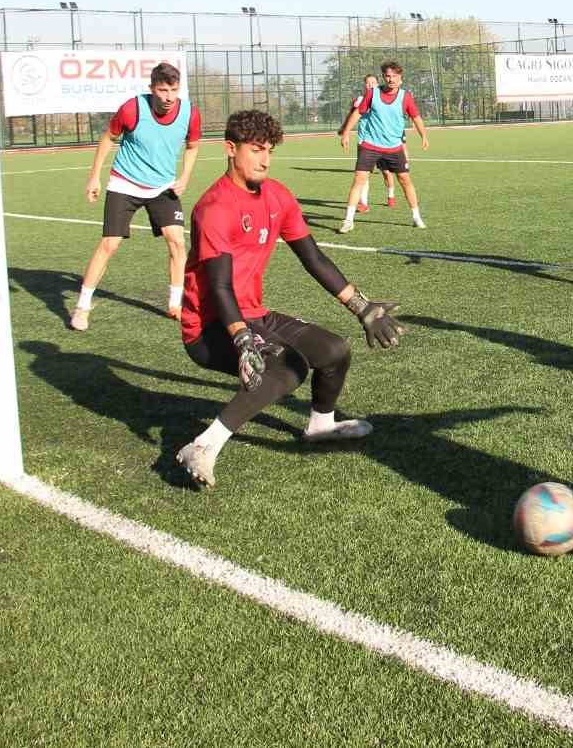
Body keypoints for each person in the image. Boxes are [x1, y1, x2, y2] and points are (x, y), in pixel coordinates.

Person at [174, 110, 406, 490]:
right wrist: (241, 338)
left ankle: (320, 425)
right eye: (255, 150)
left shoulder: (277, 196)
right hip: (210, 327)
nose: (264, 159)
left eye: (269, 150)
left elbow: (312, 257)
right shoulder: (214, 208)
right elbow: (219, 287)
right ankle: (202, 446)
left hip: (255, 313)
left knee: (334, 351)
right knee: (287, 370)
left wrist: (360, 306)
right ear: (230, 149)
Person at [70, 62, 201, 331]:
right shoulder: (132, 108)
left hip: (163, 186)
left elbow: (193, 146)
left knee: (176, 241)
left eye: (174, 90)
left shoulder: (189, 112)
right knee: (110, 244)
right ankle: (82, 307)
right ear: (151, 88)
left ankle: (176, 303)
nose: (168, 97)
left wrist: (185, 177)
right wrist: (95, 177)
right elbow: (107, 139)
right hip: (125, 183)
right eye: (163, 90)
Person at [338, 61, 429, 232]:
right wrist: (346, 132)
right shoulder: (372, 93)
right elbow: (358, 112)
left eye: (394, 76)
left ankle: (416, 217)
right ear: (383, 77)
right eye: (388, 76)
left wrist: (423, 135)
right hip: (370, 145)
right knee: (359, 179)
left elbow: (416, 117)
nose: (391, 79)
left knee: (405, 180)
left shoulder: (406, 97)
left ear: (400, 78)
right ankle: (348, 220)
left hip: (394, 147)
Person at [338, 74, 396, 213]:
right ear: (364, 85)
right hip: (364, 142)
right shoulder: (359, 100)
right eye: (368, 83)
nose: (370, 84)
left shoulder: (383, 99)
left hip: (383, 142)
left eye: (373, 82)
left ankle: (391, 196)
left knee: (387, 172)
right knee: (363, 175)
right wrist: (345, 132)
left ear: (377, 84)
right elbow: (352, 116)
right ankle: (363, 203)